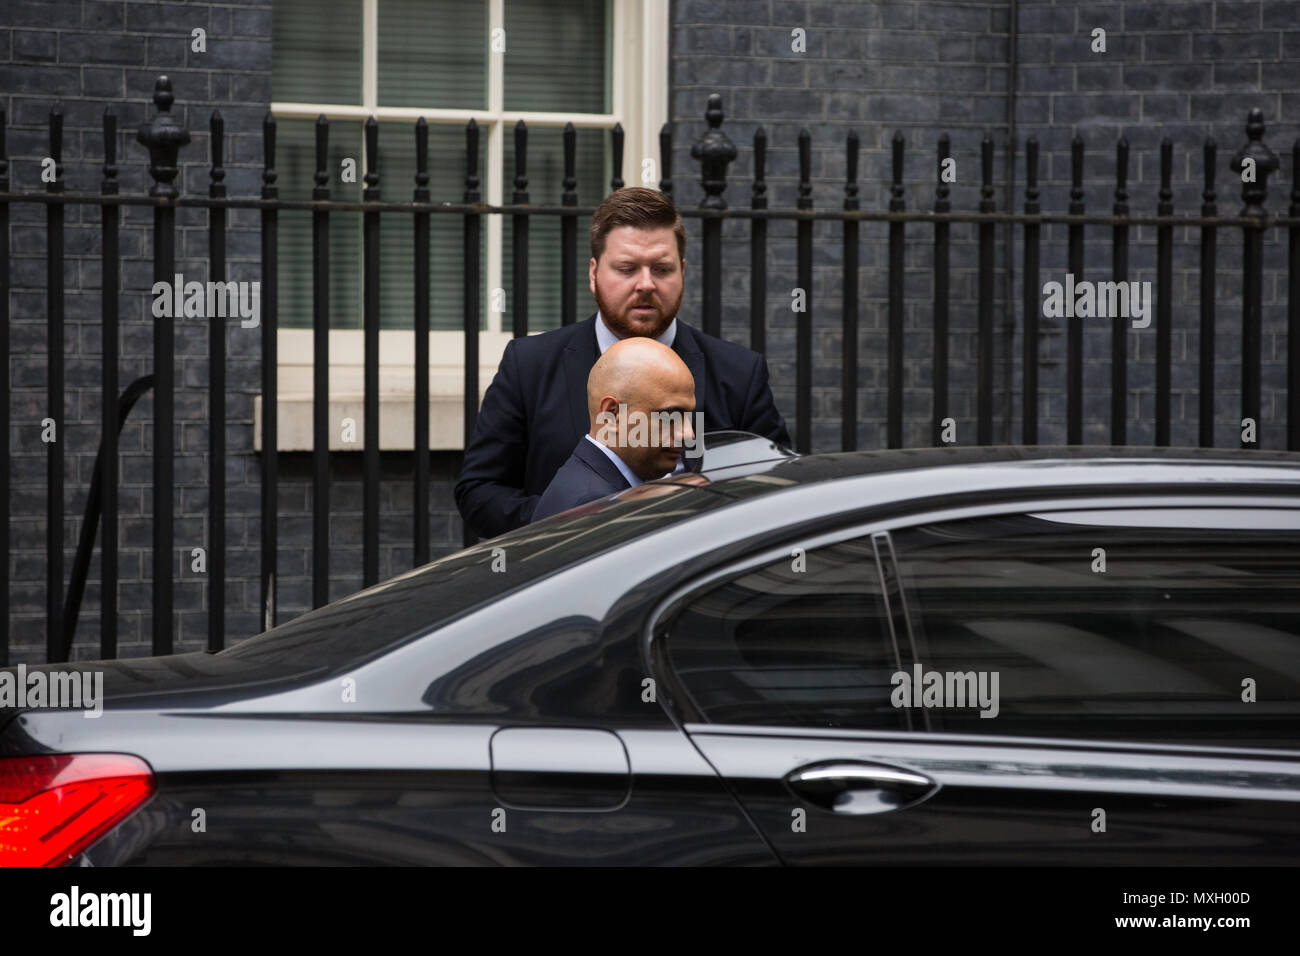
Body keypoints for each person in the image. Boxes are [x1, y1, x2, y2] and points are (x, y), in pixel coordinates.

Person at [455, 186, 791, 539]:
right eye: (627, 268)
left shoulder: (738, 374)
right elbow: (479, 492)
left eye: (662, 269)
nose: (646, 284)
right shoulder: (530, 365)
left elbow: (776, 489)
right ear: (593, 273)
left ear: (683, 272)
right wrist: (571, 526)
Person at [532, 337, 696, 523]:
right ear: (611, 414)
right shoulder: (594, 507)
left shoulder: (597, 489)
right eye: (670, 416)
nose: (688, 434)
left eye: (688, 417)